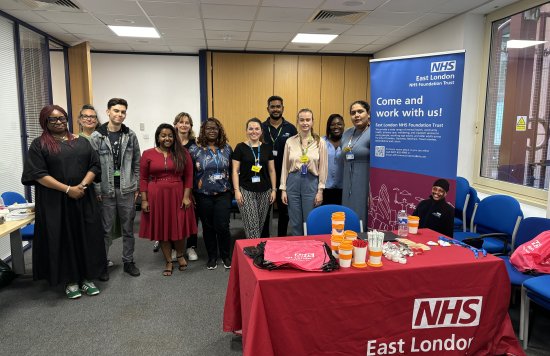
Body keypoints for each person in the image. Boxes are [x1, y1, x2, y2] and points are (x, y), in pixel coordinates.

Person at [21, 104, 106, 299]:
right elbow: (38, 174)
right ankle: (70, 280)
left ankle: (87, 277)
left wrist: (81, 187)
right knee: (63, 238)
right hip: (55, 203)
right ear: (45, 122)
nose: (59, 122)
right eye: (53, 119)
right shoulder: (39, 144)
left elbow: (94, 165)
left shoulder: (81, 141)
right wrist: (68, 190)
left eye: (62, 118)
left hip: (83, 199)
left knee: (86, 235)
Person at [90, 98, 141, 281]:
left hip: (127, 189)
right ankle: (102, 263)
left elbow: (137, 163)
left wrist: (137, 186)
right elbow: (93, 166)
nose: (120, 114)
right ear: (108, 112)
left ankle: (128, 261)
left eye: (123, 112)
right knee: (105, 229)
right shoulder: (97, 136)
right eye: (116, 111)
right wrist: (96, 190)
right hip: (106, 190)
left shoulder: (130, 135)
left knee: (128, 228)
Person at [139, 124, 197, 276]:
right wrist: (144, 200)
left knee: (179, 227)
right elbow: (143, 178)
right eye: (163, 135)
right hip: (156, 196)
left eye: (170, 135)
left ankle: (179, 254)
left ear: (174, 137)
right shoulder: (148, 154)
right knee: (162, 228)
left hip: (178, 194)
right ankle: (168, 261)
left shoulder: (183, 153)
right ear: (158, 137)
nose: (167, 138)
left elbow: (189, 176)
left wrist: (186, 196)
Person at [189, 118, 233, 270]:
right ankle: (212, 256)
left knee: (222, 225)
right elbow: (190, 173)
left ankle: (226, 255)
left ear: (219, 130)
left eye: (215, 128)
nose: (212, 131)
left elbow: (233, 170)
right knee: (208, 226)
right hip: (203, 194)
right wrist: (190, 193)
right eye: (208, 128)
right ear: (203, 131)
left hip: (223, 193)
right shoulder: (195, 150)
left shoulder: (227, 148)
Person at [280, 109, 328, 236]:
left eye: (308, 120)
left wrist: (320, 190)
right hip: (293, 182)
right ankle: (297, 247)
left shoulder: (320, 142)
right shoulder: (290, 141)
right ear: (297, 121)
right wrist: (283, 189)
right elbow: (285, 166)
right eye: (302, 120)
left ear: (312, 122)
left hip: (311, 181)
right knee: (295, 220)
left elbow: (323, 167)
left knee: (310, 219)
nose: (305, 123)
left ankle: (310, 248)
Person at [232, 118, 277, 238]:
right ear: (246, 131)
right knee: (251, 225)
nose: (254, 131)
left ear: (261, 131)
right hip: (246, 191)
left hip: (265, 191)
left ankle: (255, 250)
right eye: (250, 128)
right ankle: (254, 252)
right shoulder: (240, 147)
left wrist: (273, 190)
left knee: (260, 225)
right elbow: (235, 171)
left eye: (257, 129)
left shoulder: (267, 148)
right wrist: (237, 191)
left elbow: (272, 170)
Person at [261, 95, 297, 237]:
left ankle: (281, 239)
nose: (275, 109)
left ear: (283, 108)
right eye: (272, 107)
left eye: (278, 106)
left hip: (285, 176)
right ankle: (265, 241)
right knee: (265, 211)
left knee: (284, 211)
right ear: (268, 109)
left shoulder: (291, 128)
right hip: (264, 175)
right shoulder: (262, 127)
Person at [173, 112, 200, 261]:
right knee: (173, 217)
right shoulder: (170, 142)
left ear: (190, 126)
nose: (184, 125)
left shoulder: (195, 144)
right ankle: (172, 246)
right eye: (181, 122)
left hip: (192, 186)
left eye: (187, 122)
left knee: (192, 218)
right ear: (175, 124)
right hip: (173, 186)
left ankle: (191, 247)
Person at [341, 100, 371, 226]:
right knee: (347, 215)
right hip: (347, 182)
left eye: (360, 111)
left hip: (365, 182)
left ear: (368, 114)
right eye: (353, 113)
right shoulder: (347, 133)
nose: (356, 115)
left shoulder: (374, 132)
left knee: (361, 214)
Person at [323, 114, 345, 205]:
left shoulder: (348, 141)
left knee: (341, 216)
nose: (336, 127)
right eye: (332, 124)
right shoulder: (321, 142)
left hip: (344, 187)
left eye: (339, 124)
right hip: (325, 187)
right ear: (328, 126)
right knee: (326, 215)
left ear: (343, 125)